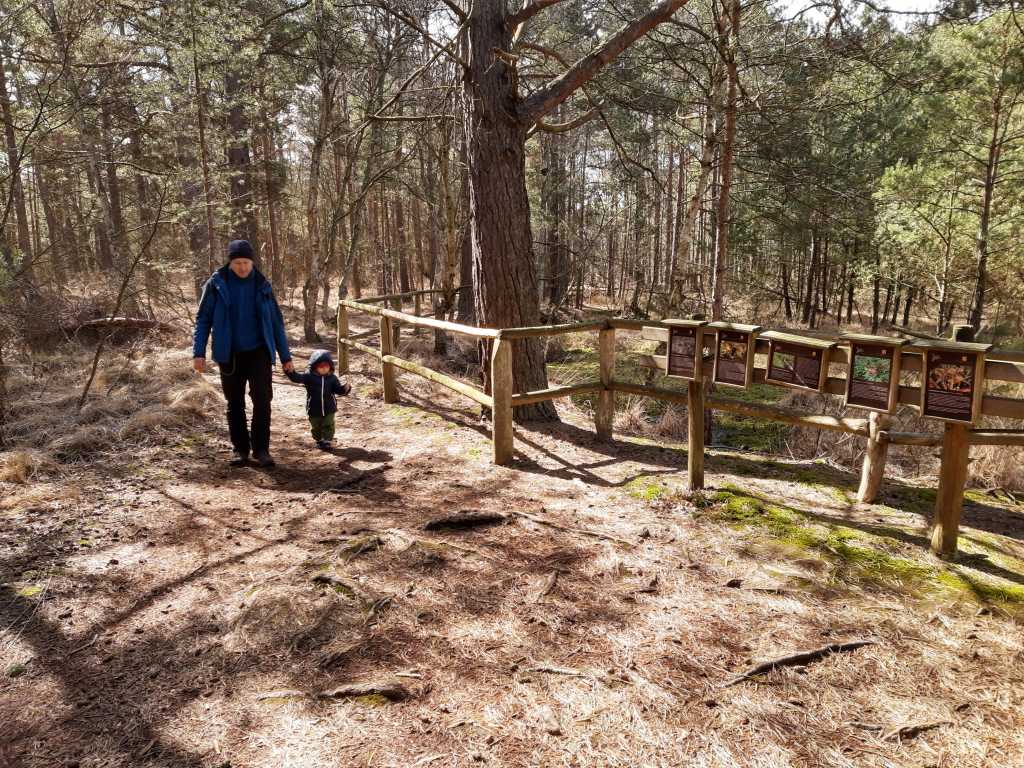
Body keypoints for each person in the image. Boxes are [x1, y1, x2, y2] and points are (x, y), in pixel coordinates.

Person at [192, 239, 294, 467]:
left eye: (246, 262)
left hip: (259, 352)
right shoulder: (216, 284)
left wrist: (285, 356)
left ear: (252, 262)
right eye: (238, 262)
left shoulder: (262, 284)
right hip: (229, 354)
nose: (243, 267)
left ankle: (261, 450)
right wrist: (198, 352)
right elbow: (203, 319)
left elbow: (276, 323)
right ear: (230, 262)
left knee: (262, 400)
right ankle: (241, 450)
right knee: (234, 402)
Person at [286, 350, 351, 450]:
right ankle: (319, 439)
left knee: (328, 424)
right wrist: (290, 373)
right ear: (315, 367)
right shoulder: (309, 377)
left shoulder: (332, 378)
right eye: (321, 366)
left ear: (330, 366)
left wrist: (345, 389)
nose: (324, 368)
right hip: (313, 408)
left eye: (327, 366)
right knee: (316, 427)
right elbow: (297, 378)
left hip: (329, 408)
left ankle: (327, 441)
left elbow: (338, 390)